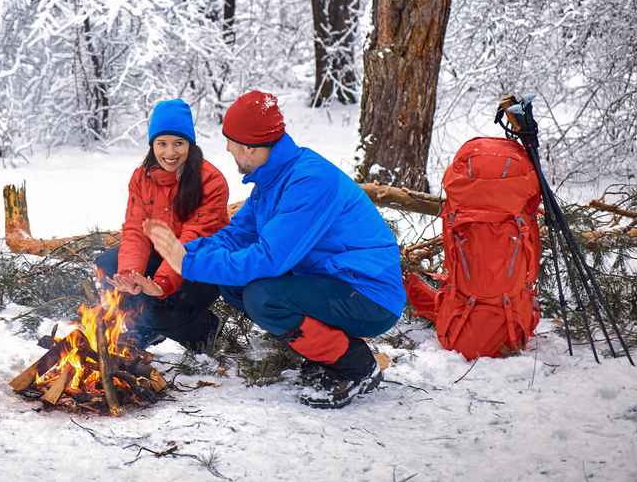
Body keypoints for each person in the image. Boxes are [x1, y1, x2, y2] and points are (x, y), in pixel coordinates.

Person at [145, 90, 405, 409]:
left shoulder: (308, 182)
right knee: (236, 285)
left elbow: (268, 259)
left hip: (368, 295)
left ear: (252, 148)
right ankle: (327, 354)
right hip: (331, 283)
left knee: (263, 297)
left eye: (232, 142)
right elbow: (238, 236)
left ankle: (356, 365)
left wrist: (188, 264)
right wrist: (185, 253)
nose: (226, 147)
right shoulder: (272, 180)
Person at [95, 98, 230, 352]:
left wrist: (161, 284)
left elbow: (192, 238)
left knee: (154, 304)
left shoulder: (211, 181)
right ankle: (145, 328)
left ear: (190, 143)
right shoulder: (141, 177)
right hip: (162, 258)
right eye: (162, 143)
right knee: (108, 268)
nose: (170, 153)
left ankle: (203, 329)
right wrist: (129, 275)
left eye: (179, 143)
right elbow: (136, 229)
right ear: (152, 145)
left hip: (200, 266)